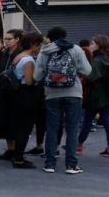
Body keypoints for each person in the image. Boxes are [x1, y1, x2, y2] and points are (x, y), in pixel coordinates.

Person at [35, 26, 92, 174]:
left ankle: (49, 164)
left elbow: (36, 76)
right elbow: (87, 70)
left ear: (50, 37)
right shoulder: (76, 49)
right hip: (74, 93)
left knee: (52, 129)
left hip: (52, 94)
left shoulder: (45, 51)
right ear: (65, 36)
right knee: (72, 129)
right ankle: (71, 165)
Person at [79, 35, 109, 158]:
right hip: (108, 94)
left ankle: (78, 145)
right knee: (107, 121)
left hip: (95, 95)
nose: (90, 46)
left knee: (87, 120)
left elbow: (91, 76)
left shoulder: (97, 61)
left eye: (92, 43)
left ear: (98, 45)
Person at [10, 32, 45, 169]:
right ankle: (19, 158)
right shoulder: (28, 60)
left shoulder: (18, 56)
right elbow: (29, 81)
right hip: (26, 94)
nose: (40, 47)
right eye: (39, 44)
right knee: (25, 127)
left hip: (17, 94)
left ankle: (17, 155)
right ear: (33, 44)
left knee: (20, 126)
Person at [0, 29, 23, 162]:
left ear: (17, 39)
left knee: (15, 121)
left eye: (9, 39)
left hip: (15, 91)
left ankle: (17, 149)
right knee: (5, 121)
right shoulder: (5, 53)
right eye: (6, 39)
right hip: (2, 90)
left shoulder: (20, 54)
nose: (6, 42)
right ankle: (10, 149)